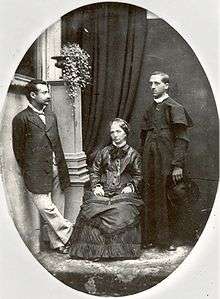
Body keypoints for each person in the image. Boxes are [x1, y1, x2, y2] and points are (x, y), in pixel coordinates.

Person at [12, 79, 73, 254]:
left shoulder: (51, 116)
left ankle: (59, 244)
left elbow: (57, 143)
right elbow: (19, 151)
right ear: (33, 95)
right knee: (47, 208)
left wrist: (59, 165)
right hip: (36, 173)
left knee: (58, 207)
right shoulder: (21, 119)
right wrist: (28, 172)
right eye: (44, 93)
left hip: (57, 167)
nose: (48, 96)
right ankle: (70, 231)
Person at [69, 118, 143, 261]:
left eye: (118, 131)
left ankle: (119, 252)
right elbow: (95, 171)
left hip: (123, 192)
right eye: (112, 132)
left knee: (123, 209)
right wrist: (96, 186)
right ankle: (95, 252)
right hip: (104, 190)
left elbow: (138, 175)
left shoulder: (134, 154)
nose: (115, 135)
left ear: (125, 133)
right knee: (91, 208)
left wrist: (131, 186)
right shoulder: (104, 152)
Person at [141, 71, 195, 251]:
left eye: (156, 83)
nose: (152, 87)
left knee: (170, 198)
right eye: (150, 84)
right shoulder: (149, 109)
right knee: (151, 197)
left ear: (166, 85)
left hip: (168, 163)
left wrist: (177, 165)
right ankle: (153, 238)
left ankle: (172, 239)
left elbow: (182, 139)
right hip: (151, 163)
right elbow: (144, 138)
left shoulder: (175, 107)